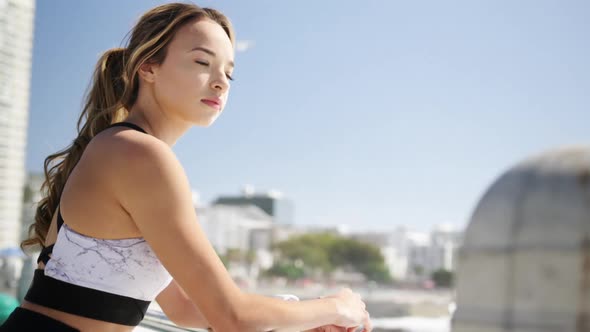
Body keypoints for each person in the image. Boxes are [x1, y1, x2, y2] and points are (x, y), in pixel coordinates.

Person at [0, 3, 372, 332]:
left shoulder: (123, 149)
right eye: (201, 62)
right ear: (148, 67)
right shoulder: (138, 154)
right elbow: (231, 317)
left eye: (229, 71)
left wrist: (299, 314)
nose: (220, 81)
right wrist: (339, 306)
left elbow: (186, 307)